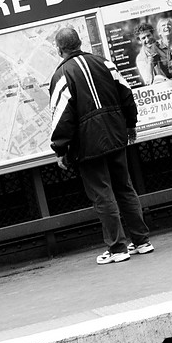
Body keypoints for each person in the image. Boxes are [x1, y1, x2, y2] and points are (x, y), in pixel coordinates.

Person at [49, 26, 153, 265]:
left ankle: (117, 248)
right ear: (80, 42)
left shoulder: (62, 75)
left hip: (88, 145)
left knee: (102, 194)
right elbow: (126, 94)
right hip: (116, 136)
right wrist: (130, 125)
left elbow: (62, 116)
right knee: (124, 187)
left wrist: (60, 149)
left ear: (59, 49)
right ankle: (141, 241)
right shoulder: (105, 63)